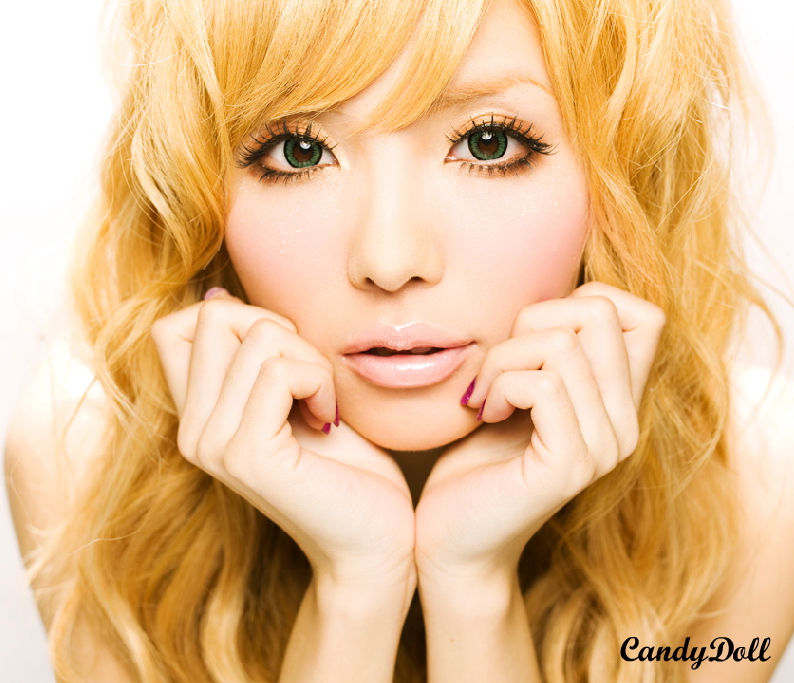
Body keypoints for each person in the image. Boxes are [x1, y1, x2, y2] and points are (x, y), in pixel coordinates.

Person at [4, 0, 794, 681]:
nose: (389, 258)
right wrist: (354, 586)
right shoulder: (87, 453)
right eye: (299, 150)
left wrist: (473, 584)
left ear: (619, 172)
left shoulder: (758, 484)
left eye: (489, 142)